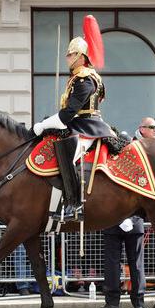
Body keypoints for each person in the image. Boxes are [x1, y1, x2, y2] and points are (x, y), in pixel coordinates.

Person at [32, 15, 112, 222]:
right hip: (80, 124)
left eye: (71, 54)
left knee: (65, 152)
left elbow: (69, 112)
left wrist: (43, 124)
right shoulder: (80, 77)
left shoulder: (84, 78)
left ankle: (73, 203)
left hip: (88, 126)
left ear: (81, 56)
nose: (67, 57)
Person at [99, 216, 147, 308]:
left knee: (112, 264)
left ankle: (112, 303)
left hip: (112, 222)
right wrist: (133, 219)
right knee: (137, 264)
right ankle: (139, 303)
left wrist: (119, 220)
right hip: (135, 224)